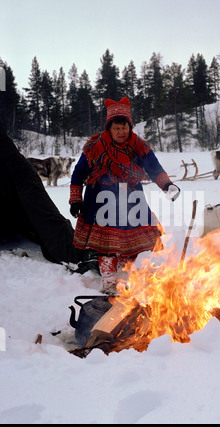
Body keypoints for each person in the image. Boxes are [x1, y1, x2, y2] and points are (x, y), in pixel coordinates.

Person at [69, 97, 180, 295]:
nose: (121, 132)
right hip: (101, 200)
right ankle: (109, 282)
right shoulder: (95, 147)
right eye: (116, 128)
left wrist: (167, 185)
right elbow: (78, 173)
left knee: (132, 243)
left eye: (124, 127)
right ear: (109, 128)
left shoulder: (139, 146)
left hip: (131, 199)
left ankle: (126, 273)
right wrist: (76, 199)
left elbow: (154, 169)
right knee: (106, 245)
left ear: (130, 126)